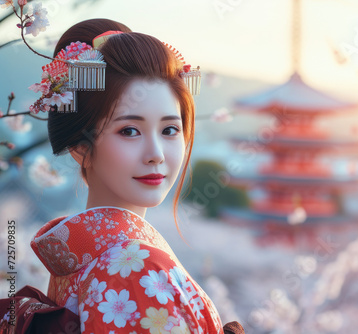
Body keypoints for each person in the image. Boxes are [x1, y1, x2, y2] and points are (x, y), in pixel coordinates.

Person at [0, 18, 244, 333]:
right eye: (129, 130)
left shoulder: (81, 260)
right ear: (80, 147)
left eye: (170, 129)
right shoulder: (137, 268)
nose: (155, 153)